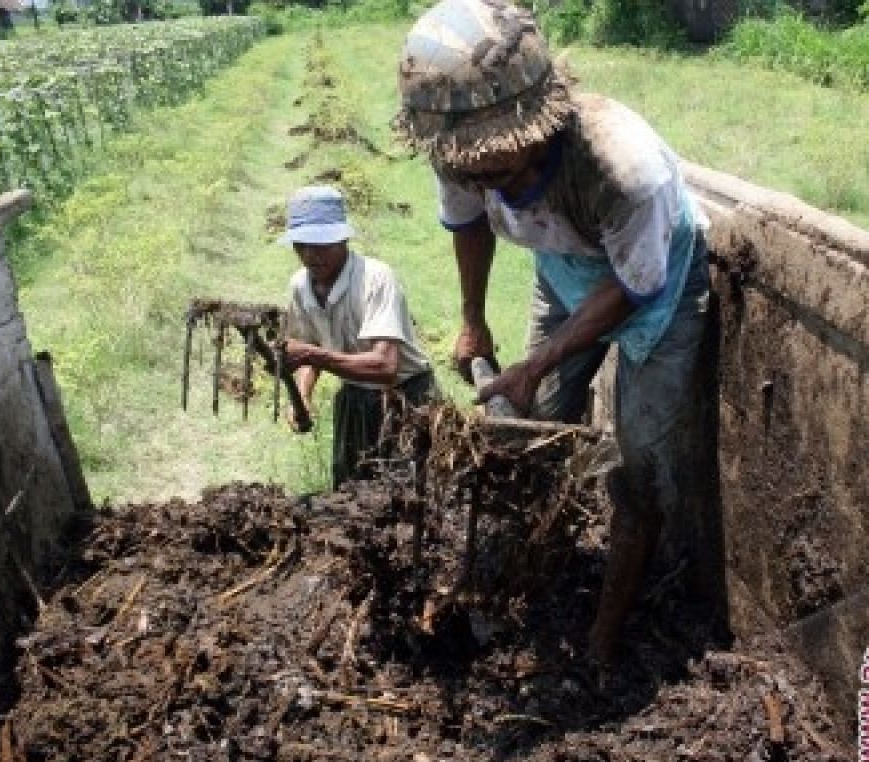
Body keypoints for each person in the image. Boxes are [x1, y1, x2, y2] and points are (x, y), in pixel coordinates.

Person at [394, 0, 726, 663]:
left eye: (502, 172)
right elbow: (465, 223)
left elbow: (635, 287)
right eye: (474, 174)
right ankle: (531, 574)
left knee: (636, 465)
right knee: (536, 431)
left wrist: (540, 359)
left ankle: (604, 638)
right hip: (567, 267)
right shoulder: (460, 149)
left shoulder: (622, 169)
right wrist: (472, 320)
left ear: (540, 124)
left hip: (656, 288)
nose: (487, 184)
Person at [279, 185, 437, 489]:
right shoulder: (300, 286)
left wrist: (313, 355)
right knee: (350, 491)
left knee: (406, 492)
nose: (312, 255)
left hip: (406, 397)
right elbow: (307, 348)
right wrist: (303, 396)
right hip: (354, 397)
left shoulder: (376, 279)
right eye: (303, 245)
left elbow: (384, 366)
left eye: (322, 244)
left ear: (343, 239)